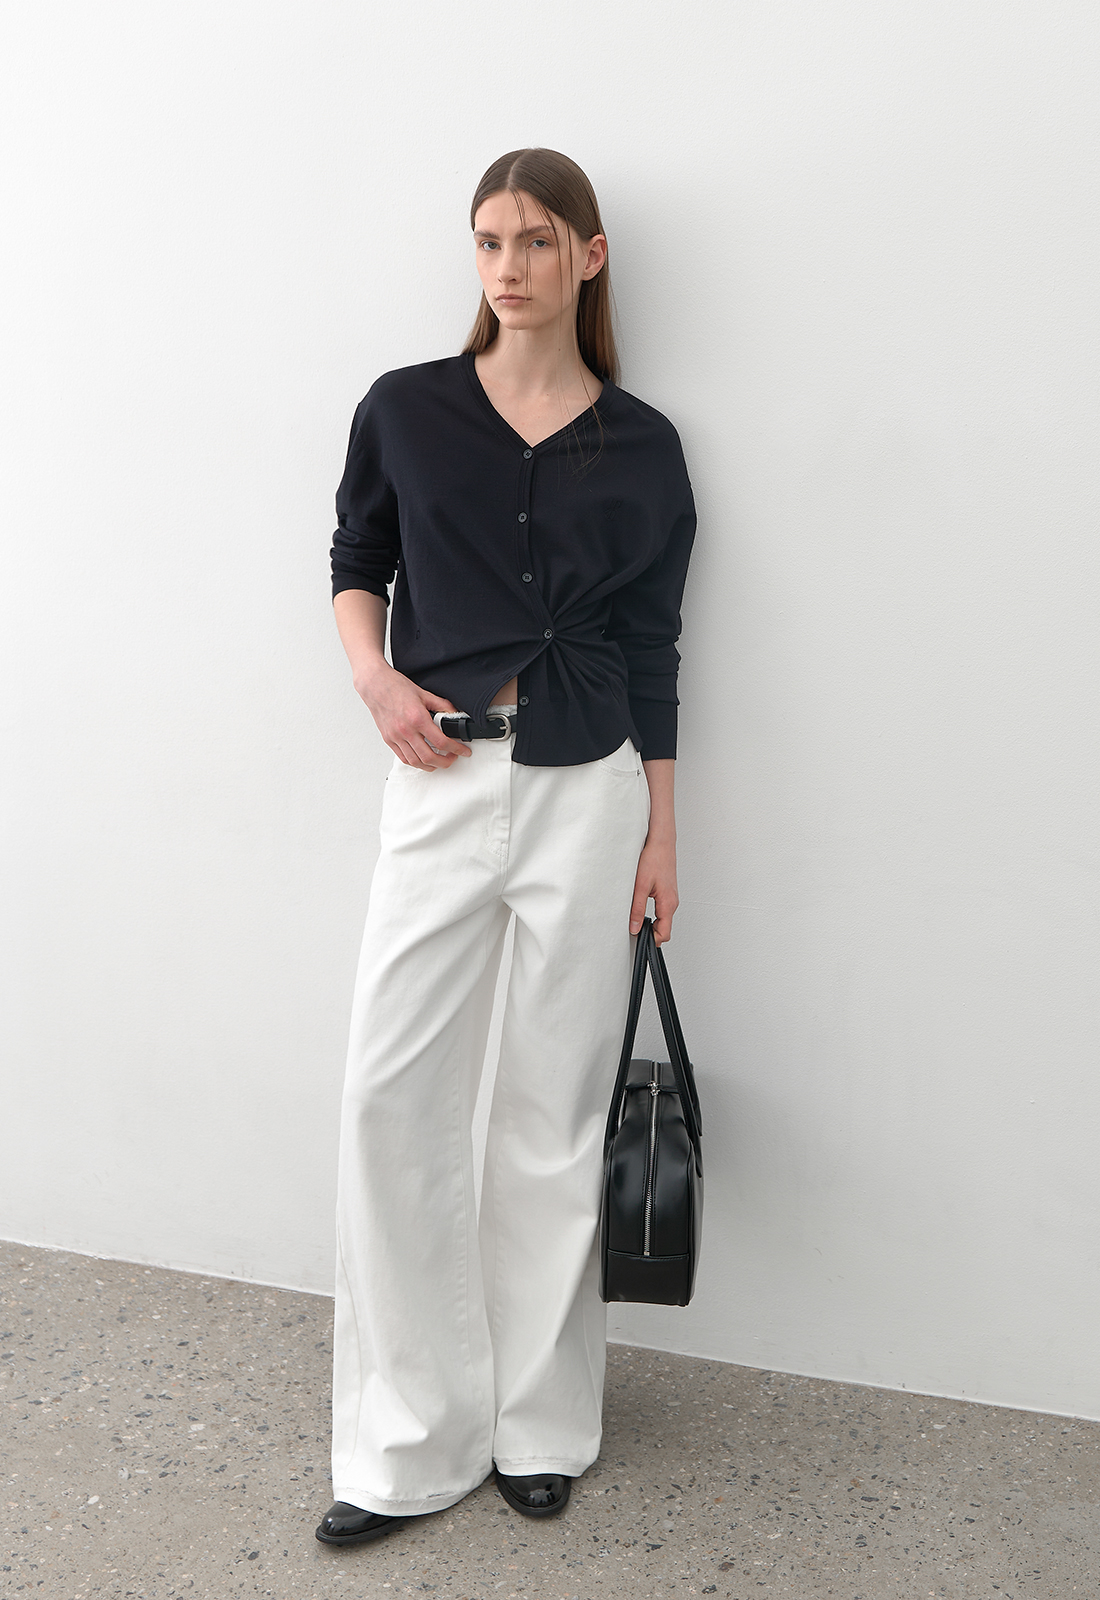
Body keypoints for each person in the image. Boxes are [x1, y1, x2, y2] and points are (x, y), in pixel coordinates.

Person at [316, 148, 696, 1548]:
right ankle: (406, 1438)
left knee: (551, 1111)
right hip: (440, 779)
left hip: (590, 790)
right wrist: (375, 681)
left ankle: (539, 1422)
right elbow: (356, 558)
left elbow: (654, 646)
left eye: (537, 240)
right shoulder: (407, 408)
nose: (510, 267)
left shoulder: (644, 446)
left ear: (588, 255)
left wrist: (662, 831)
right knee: (389, 1096)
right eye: (489, 241)